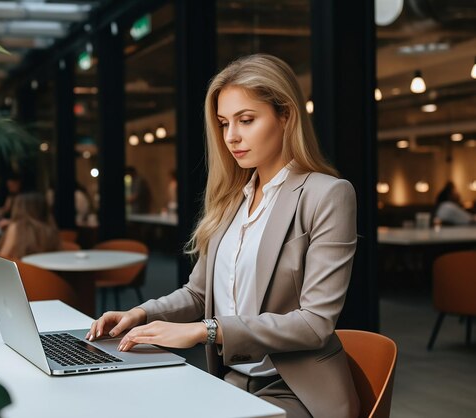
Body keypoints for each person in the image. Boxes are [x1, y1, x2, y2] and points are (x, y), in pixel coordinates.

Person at [87, 54, 359, 418]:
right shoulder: (232, 199)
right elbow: (199, 294)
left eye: (246, 120)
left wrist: (207, 331)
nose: (231, 137)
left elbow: (314, 323)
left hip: (296, 392)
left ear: (286, 116)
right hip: (228, 381)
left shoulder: (326, 195)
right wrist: (140, 313)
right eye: (223, 123)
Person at [0, 192, 61, 276]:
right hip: (45, 283)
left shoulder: (17, 227)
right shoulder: (51, 229)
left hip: (17, 281)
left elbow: (1, 259)